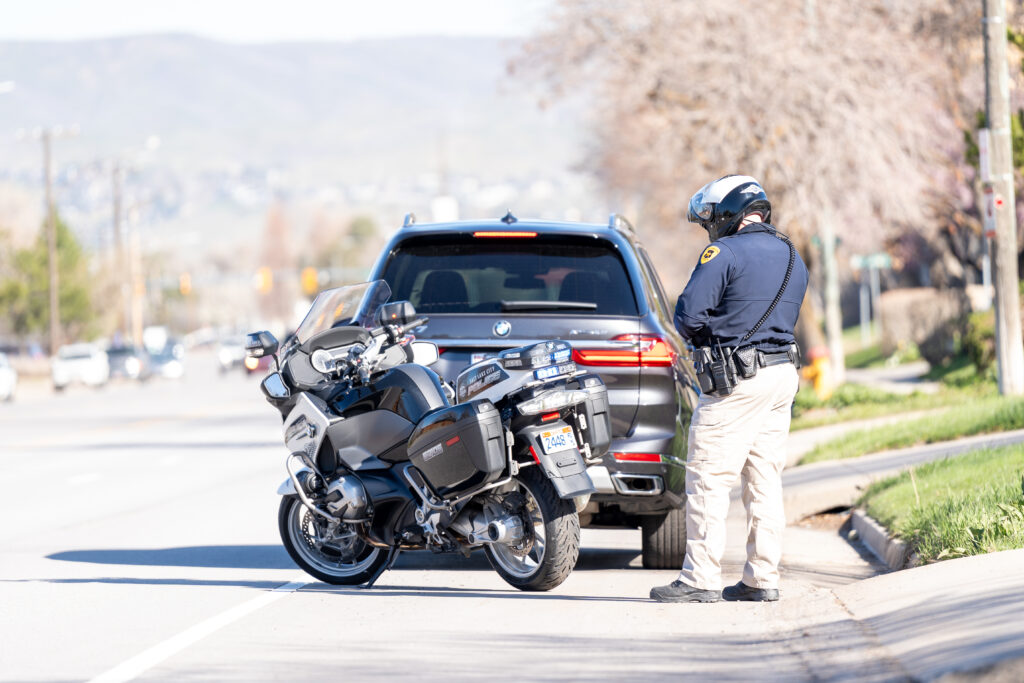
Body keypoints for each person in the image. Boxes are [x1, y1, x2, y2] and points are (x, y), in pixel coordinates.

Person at [650, 175, 809, 603]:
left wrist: (706, 343)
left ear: (727, 214)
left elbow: (688, 316)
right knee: (764, 480)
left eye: (711, 219)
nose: (709, 228)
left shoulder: (722, 253)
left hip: (736, 379)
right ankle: (762, 578)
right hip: (781, 378)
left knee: (708, 477)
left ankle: (700, 578)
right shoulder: (793, 255)